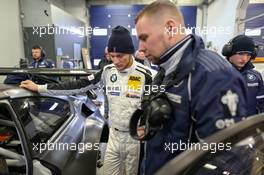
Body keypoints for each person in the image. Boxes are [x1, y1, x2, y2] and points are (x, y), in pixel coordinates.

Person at [20, 25, 156, 175]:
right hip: (114, 136)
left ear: (130, 52)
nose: (116, 61)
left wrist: (147, 125)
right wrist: (40, 88)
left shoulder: (147, 75)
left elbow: (156, 105)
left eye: (120, 56)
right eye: (112, 55)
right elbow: (79, 85)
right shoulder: (107, 71)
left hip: (135, 140)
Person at [134, 1, 248, 174]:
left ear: (170, 29)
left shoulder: (214, 76)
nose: (140, 49)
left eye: (144, 38)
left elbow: (224, 160)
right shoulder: (166, 68)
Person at [222, 35, 264, 115]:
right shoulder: (216, 75)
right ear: (229, 52)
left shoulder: (256, 77)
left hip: (250, 125)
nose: (244, 59)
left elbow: (262, 104)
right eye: (241, 54)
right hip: (226, 126)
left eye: (248, 55)